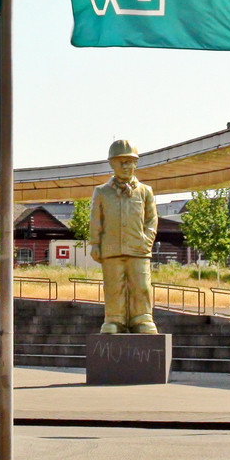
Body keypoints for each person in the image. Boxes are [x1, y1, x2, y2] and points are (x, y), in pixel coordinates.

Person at [89, 139, 158, 334]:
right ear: (112, 163)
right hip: (111, 248)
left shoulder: (145, 191)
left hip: (139, 248)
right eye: (121, 162)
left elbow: (152, 219)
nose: (125, 166)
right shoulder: (101, 192)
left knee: (141, 285)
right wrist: (95, 243)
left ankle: (142, 318)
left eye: (129, 162)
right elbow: (96, 219)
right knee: (113, 286)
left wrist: (147, 240)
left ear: (136, 164)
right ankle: (114, 319)